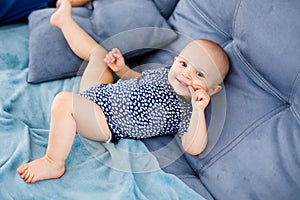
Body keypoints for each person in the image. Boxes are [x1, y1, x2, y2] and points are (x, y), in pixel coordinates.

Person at [17, 0, 230, 183]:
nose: (186, 74)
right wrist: (122, 69)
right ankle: (63, 21)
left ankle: (53, 162)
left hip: (105, 123)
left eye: (199, 75)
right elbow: (138, 79)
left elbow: (193, 147)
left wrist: (200, 110)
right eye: (184, 64)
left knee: (63, 102)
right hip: (99, 94)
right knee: (99, 55)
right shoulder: (164, 73)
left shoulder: (187, 110)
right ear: (175, 61)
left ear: (211, 90)